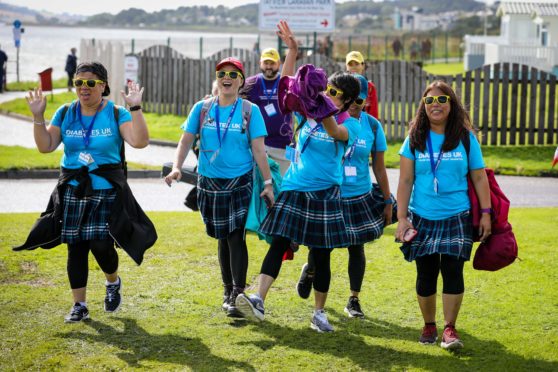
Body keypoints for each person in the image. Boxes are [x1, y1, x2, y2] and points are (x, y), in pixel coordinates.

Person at [235, 21, 361, 333]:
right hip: (294, 188)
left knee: (321, 255)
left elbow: (334, 130)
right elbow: (288, 85)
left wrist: (322, 106)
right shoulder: (309, 112)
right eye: (327, 89)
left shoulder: (348, 124)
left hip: (324, 193)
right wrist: (292, 50)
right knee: (277, 244)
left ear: (347, 100)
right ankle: (258, 299)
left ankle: (319, 314)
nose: (328, 95)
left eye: (336, 93)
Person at [19, 61, 156, 323]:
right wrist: (38, 117)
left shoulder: (116, 113)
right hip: (72, 188)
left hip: (105, 190)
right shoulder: (65, 112)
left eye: (90, 83)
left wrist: (135, 107)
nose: (84, 88)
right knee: (76, 248)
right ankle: (79, 305)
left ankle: (112, 281)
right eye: (78, 82)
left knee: (101, 245)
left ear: (103, 86)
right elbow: (46, 146)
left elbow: (140, 141)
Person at [164, 57, 274, 318]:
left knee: (236, 235)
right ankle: (228, 291)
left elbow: (259, 150)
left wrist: (268, 183)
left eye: (233, 74)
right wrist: (177, 167)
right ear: (217, 79)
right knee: (222, 236)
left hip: (240, 181)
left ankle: (236, 294)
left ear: (240, 81)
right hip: (210, 183)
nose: (227, 77)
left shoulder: (249, 110)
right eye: (222, 73)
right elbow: (185, 140)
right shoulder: (202, 109)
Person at [396, 80, 491, 350]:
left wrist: (485, 213)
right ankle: (429, 325)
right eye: (429, 101)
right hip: (422, 216)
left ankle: (450, 328)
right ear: (423, 106)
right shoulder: (414, 139)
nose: (435, 105)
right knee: (425, 272)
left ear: (451, 105)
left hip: (457, 214)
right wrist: (402, 218)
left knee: (452, 271)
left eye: (441, 100)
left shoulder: (464, 137)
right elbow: (405, 181)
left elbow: (479, 177)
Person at [295, 74, 393, 318]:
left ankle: (353, 299)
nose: (356, 105)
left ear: (365, 100)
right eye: (353, 100)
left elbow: (379, 167)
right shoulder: (330, 118)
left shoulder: (372, 126)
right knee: (321, 248)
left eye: (361, 100)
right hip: (330, 192)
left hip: (357, 194)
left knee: (356, 248)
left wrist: (388, 199)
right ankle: (311, 270)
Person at [240, 48, 291, 176]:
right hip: (258, 143)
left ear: (279, 63)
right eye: (266, 63)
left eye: (272, 63)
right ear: (260, 63)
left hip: (282, 144)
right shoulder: (250, 84)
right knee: (259, 184)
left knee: (282, 185)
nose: (268, 66)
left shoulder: (286, 83)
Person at [345, 51, 378, 119]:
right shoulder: (341, 85)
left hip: (364, 125)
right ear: (346, 67)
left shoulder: (370, 87)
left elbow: (373, 112)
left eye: (356, 64)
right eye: (350, 64)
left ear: (363, 66)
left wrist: (372, 126)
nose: (353, 67)